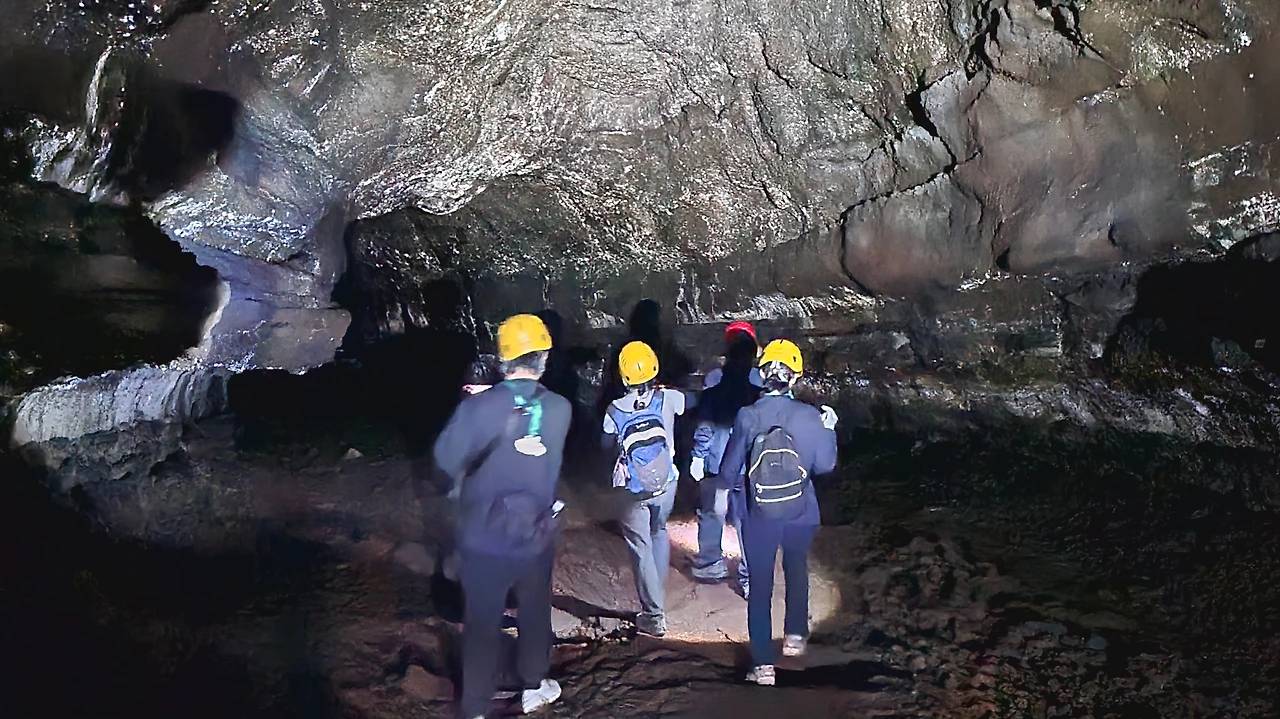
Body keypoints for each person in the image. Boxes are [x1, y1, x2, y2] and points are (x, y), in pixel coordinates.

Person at [433, 314, 572, 718]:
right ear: (544, 357)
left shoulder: (479, 408)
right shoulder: (561, 408)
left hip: (483, 537)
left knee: (482, 621)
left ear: (502, 359)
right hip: (535, 533)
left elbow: (443, 464)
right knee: (534, 608)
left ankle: (476, 708)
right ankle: (533, 686)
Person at [719, 339, 839, 687]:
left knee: (760, 586)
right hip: (801, 510)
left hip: (760, 515)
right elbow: (825, 465)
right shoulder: (810, 416)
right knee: (796, 567)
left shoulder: (748, 416)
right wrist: (828, 429)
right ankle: (795, 636)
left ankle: (763, 666)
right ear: (795, 377)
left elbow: (728, 473)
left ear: (762, 375)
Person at [603, 340, 685, 638]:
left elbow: (605, 443)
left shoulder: (614, 410)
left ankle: (654, 615)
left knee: (640, 546)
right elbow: (688, 404)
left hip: (633, 490)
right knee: (659, 531)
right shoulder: (670, 398)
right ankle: (657, 591)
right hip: (667, 481)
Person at [689, 321, 764, 595]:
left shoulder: (714, 382)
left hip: (718, 462)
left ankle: (711, 564)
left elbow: (706, 424)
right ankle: (750, 575)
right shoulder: (759, 386)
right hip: (747, 463)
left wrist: (698, 456)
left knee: (713, 512)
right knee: (747, 518)